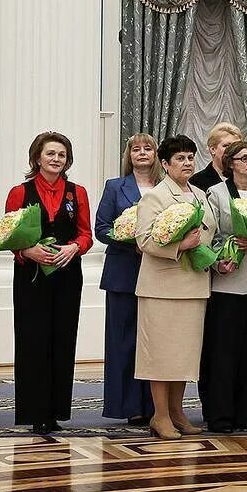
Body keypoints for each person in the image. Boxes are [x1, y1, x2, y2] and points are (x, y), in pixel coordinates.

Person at [4, 132, 92, 435]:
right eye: (51, 154)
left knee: (62, 340)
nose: (56, 159)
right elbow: (7, 235)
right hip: (31, 277)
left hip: (67, 275)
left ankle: (56, 412)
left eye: (62, 155)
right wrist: (27, 250)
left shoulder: (77, 192)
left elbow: (85, 234)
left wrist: (74, 247)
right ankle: (35, 412)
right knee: (32, 340)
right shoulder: (19, 191)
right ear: (37, 157)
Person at [134, 134, 216, 440]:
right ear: (165, 164)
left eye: (190, 157)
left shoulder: (198, 194)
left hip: (193, 283)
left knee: (184, 354)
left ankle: (178, 411)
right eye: (180, 158)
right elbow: (143, 240)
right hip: (162, 286)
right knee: (161, 355)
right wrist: (181, 244)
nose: (187, 163)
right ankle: (161, 414)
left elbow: (209, 231)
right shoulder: (154, 197)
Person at [200, 140, 247, 433]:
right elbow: (209, 233)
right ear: (230, 163)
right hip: (228, 279)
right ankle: (220, 415)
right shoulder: (215, 194)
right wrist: (220, 259)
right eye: (243, 158)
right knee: (223, 350)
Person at [95, 133, 160, 425]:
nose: (142, 153)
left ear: (156, 155)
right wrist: (128, 241)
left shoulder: (166, 188)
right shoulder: (114, 187)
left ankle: (155, 406)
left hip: (160, 272)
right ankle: (127, 406)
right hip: (123, 272)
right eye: (136, 149)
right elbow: (101, 228)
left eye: (148, 148)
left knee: (154, 342)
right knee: (124, 340)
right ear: (129, 155)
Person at [191, 122, 244, 192]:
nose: (233, 150)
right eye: (227, 146)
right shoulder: (197, 181)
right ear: (213, 149)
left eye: (236, 146)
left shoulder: (246, 177)